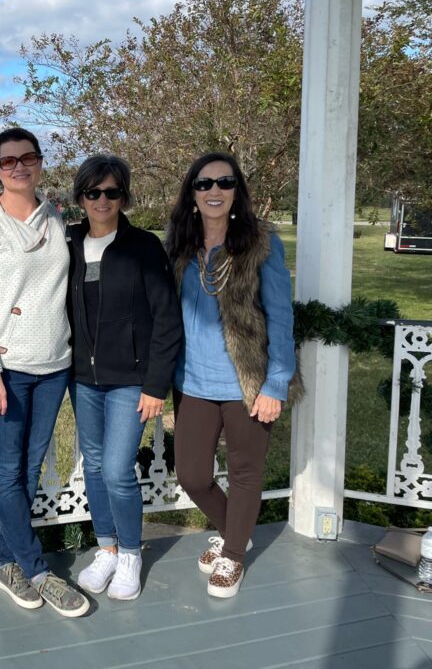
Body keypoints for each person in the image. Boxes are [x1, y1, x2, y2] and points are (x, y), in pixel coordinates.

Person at [0, 127, 90, 617]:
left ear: (39, 162)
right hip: (5, 371)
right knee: (7, 473)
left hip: (53, 365)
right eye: (8, 160)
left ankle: (1, 561)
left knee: (28, 470)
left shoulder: (54, 217)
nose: (19, 167)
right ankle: (36, 570)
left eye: (27, 158)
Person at [165, 152, 302, 599]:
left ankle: (235, 556)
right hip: (193, 383)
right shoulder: (180, 247)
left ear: (236, 191)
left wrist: (275, 382)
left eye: (224, 182)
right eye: (204, 184)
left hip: (249, 382)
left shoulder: (261, 243)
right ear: (192, 194)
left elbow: (281, 317)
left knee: (245, 473)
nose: (214, 191)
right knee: (192, 475)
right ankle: (234, 534)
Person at [66, 155, 182, 601]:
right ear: (80, 197)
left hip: (130, 380)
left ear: (123, 196)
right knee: (93, 466)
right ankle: (107, 548)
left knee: (116, 469)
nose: (102, 200)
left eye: (111, 192)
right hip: (83, 379)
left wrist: (156, 385)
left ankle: (131, 554)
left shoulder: (143, 247)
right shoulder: (70, 242)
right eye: (93, 192)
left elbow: (167, 319)